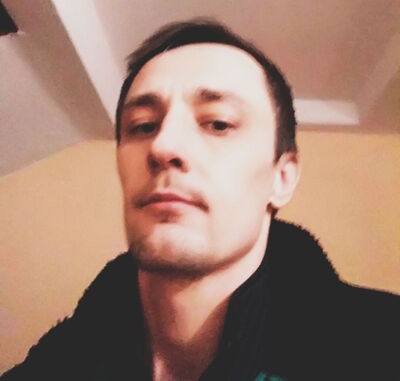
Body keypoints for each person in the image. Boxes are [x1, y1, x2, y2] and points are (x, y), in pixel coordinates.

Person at [2, 19, 399, 381]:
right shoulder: (58, 362)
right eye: (142, 126)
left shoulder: (384, 348)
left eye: (218, 123)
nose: (163, 146)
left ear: (281, 177)